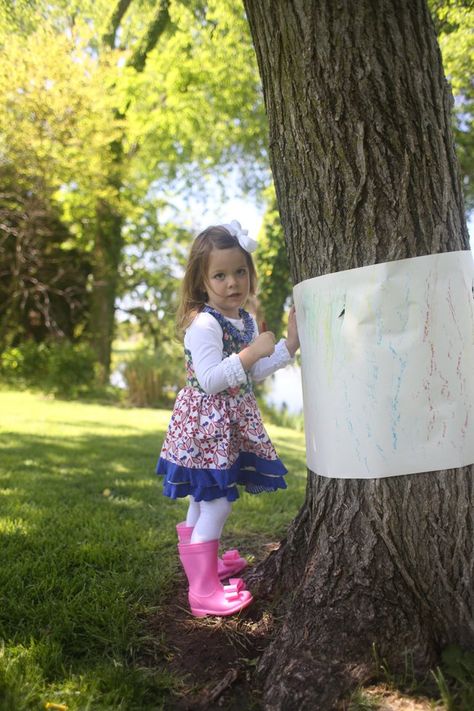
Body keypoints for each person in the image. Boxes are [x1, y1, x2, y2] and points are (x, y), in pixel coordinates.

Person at [156, 220, 299, 617]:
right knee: (216, 504)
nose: (232, 282)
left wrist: (288, 344)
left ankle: (205, 567)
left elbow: (251, 373)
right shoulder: (204, 323)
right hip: (205, 428)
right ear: (202, 283)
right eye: (220, 275)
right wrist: (251, 352)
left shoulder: (245, 321)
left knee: (203, 503)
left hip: (224, 426)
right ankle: (202, 592)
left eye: (240, 272)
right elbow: (212, 379)